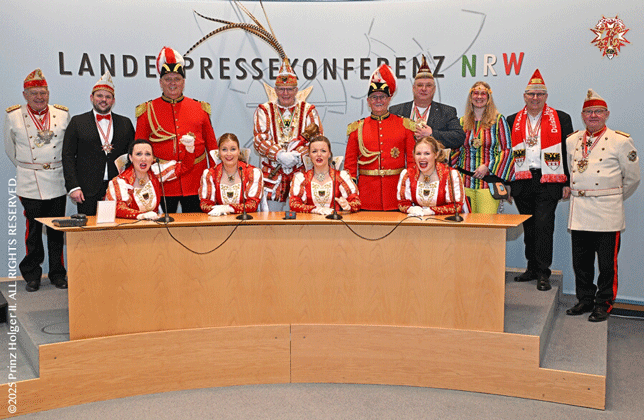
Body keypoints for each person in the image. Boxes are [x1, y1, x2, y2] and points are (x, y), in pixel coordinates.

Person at [565, 89, 640, 322]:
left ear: (607, 114)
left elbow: (632, 178)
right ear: (582, 115)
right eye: (589, 112)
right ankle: (585, 299)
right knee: (581, 262)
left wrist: (611, 197)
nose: (593, 116)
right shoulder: (572, 141)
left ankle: (604, 303)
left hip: (607, 212)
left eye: (598, 111)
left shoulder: (621, 141)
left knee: (607, 265)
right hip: (580, 210)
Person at [507, 69, 573, 292]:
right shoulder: (512, 120)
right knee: (529, 226)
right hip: (522, 179)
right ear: (524, 96)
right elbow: (507, 154)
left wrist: (567, 182)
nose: (535, 98)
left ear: (546, 96)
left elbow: (568, 152)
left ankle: (544, 272)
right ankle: (532, 268)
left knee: (544, 227)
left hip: (549, 179)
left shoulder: (561, 119)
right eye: (531, 94)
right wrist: (508, 183)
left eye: (539, 94)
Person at [4, 69, 69, 291]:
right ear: (25, 95)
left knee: (56, 229)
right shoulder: (13, 115)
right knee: (33, 231)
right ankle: (32, 274)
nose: (39, 97)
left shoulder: (62, 114)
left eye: (43, 92)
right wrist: (29, 168)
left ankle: (57, 273)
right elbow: (10, 149)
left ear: (48, 93)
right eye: (34, 93)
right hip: (30, 181)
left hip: (56, 178)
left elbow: (67, 149)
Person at [135, 46, 217, 213]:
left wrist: (216, 177)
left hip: (196, 181)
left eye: (177, 79)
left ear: (184, 82)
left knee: (197, 226)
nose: (172, 83)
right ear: (160, 82)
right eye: (168, 79)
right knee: (162, 228)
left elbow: (212, 148)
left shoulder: (200, 108)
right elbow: (138, 151)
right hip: (163, 183)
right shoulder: (147, 110)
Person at [253, 58, 322, 211]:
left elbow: (317, 141)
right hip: (272, 175)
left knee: (303, 218)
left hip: (301, 174)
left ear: (296, 90)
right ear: (275, 90)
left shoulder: (309, 111)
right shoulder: (264, 110)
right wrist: (279, 155)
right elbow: (260, 139)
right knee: (270, 220)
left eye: (290, 89)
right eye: (281, 89)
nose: (285, 93)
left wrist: (298, 155)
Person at [62, 72, 134, 216]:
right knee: (88, 228)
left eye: (108, 97)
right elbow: (67, 156)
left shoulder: (125, 123)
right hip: (86, 190)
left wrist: (132, 183)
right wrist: (73, 187)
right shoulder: (77, 122)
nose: (103, 100)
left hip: (119, 188)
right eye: (99, 96)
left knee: (118, 227)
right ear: (92, 98)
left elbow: (132, 156)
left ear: (113, 100)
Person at [345, 64, 415, 211]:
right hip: (366, 197)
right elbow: (350, 167)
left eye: (382, 97)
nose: (378, 101)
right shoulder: (356, 128)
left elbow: (412, 163)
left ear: (389, 99)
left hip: (396, 196)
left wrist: (409, 191)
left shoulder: (405, 126)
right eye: (374, 97)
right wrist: (352, 196)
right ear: (368, 101)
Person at [451, 81, 514, 213]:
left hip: (487, 183)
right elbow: (455, 150)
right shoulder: (461, 122)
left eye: (483, 94)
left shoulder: (498, 120)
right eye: (476, 93)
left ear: (488, 97)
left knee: (486, 223)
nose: (479, 97)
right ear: (471, 97)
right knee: (465, 223)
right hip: (464, 183)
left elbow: (507, 150)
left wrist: (488, 166)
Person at [390, 55, 465, 149]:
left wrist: (432, 134)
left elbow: (459, 138)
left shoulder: (446, 112)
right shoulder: (396, 111)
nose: (424, 89)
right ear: (413, 88)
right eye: (420, 85)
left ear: (434, 89)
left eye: (428, 85)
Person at [290, 135, 361, 214]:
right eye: (314, 151)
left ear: (329, 154)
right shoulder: (301, 178)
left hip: (334, 221)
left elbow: (356, 202)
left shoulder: (341, 177)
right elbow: (293, 204)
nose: (319, 154)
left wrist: (348, 205)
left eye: (323, 151)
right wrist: (314, 209)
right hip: (309, 221)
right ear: (309, 155)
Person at [397, 136, 467, 216]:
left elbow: (457, 206)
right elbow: (402, 204)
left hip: (445, 221)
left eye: (427, 153)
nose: (422, 157)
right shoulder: (407, 174)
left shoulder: (450, 175)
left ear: (436, 154)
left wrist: (431, 211)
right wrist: (411, 209)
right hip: (417, 221)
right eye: (418, 153)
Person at [199, 133, 263, 216]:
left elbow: (252, 204)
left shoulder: (253, 172)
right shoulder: (210, 174)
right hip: (219, 221)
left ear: (238, 151)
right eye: (224, 149)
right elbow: (205, 204)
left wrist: (229, 208)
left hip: (246, 221)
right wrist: (219, 210)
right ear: (219, 152)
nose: (229, 154)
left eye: (233, 149)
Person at [104, 140, 162, 220]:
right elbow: (118, 208)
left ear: (152, 158)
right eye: (139, 154)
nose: (143, 158)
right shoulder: (120, 181)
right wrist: (142, 215)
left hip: (154, 225)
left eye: (148, 154)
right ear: (131, 157)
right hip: (128, 226)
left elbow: (178, 168)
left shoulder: (156, 175)